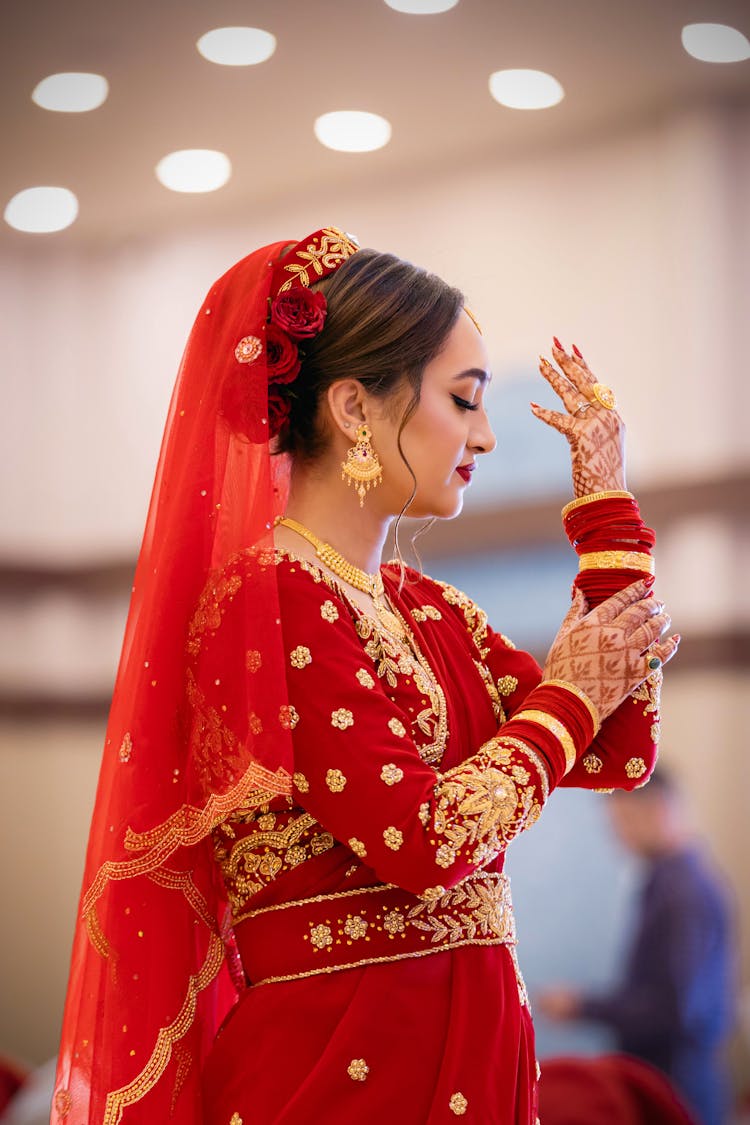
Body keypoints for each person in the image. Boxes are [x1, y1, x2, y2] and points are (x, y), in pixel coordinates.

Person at [52, 227, 679, 1124]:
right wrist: (571, 693)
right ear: (353, 406)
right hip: (341, 1063)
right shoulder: (264, 599)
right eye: (465, 401)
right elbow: (422, 839)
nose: (489, 436)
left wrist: (608, 513)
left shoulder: (430, 609)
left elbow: (620, 746)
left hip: (476, 1041)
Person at [537, 771, 734, 1125]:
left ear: (659, 809)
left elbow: (674, 1008)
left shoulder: (682, 894)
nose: (619, 838)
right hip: (669, 1071)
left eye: (623, 821)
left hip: (677, 1080)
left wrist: (581, 1005)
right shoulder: (667, 883)